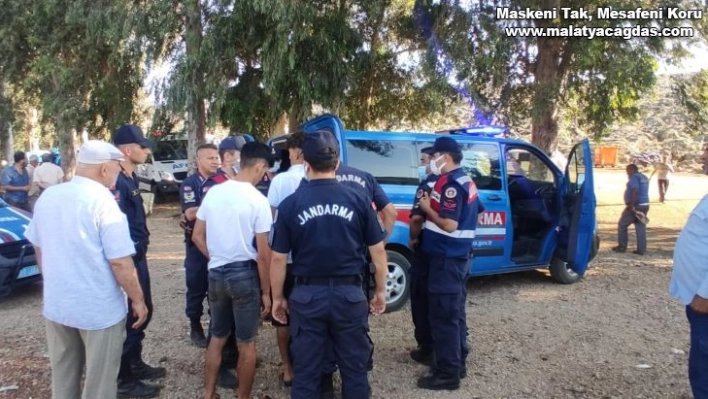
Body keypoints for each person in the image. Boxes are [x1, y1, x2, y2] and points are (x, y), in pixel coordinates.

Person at [270, 130, 388, 399]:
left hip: (307, 297)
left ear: (305, 164)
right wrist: (380, 291)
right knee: (355, 370)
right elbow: (378, 251)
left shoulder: (290, 205)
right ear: (336, 164)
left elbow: (278, 257)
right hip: (350, 295)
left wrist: (277, 298)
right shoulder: (359, 200)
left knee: (308, 372)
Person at [26, 140, 148, 399]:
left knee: (64, 376)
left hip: (58, 304)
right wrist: (138, 299)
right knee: (100, 382)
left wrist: (54, 280)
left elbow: (39, 246)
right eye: (117, 166)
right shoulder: (103, 201)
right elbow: (120, 262)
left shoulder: (50, 196)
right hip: (97, 309)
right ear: (104, 169)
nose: (119, 171)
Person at [191, 142, 273, 399]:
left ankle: (209, 393)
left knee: (217, 336)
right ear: (259, 166)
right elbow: (263, 254)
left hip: (216, 273)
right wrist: (267, 292)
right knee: (246, 343)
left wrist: (215, 257)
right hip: (244, 275)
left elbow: (196, 236)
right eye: (264, 170)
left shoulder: (214, 193)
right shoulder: (258, 201)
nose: (264, 175)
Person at [416, 136, 485, 391]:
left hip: (447, 259)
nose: (432, 160)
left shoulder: (452, 185)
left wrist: (427, 208)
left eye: (435, 156)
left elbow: (449, 224)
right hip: (457, 258)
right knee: (454, 313)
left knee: (444, 316)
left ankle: (447, 374)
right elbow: (478, 209)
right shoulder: (465, 179)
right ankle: (457, 362)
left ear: (445, 156)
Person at [111, 124, 165, 398]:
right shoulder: (117, 182)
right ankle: (124, 380)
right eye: (143, 146)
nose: (146, 150)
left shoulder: (130, 177)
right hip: (128, 258)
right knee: (133, 314)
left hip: (139, 257)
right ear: (126, 149)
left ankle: (135, 362)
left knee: (144, 312)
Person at [266, 131, 307, 387]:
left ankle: (288, 367)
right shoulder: (325, 176)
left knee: (282, 314)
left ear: (295, 152)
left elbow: (271, 219)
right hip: (311, 262)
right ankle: (310, 365)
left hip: (285, 258)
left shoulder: (281, 181)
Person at [180, 144, 220, 347]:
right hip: (196, 245)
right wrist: (216, 202)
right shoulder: (189, 183)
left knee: (218, 287)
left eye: (217, 157)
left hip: (218, 240)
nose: (215, 161)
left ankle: (217, 328)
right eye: (210, 158)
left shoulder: (222, 181)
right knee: (196, 285)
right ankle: (195, 325)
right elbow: (189, 213)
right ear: (199, 161)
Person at [670, 194, 708, 399]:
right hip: (697, 299)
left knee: (704, 372)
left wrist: (705, 294)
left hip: (704, 302)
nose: (704, 159)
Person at [408, 146, 438, 365]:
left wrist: (412, 238)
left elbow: (417, 219)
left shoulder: (426, 186)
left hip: (426, 248)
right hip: (444, 252)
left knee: (421, 298)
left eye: (424, 159)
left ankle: (427, 348)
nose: (421, 164)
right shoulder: (451, 182)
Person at [612, 164, 650, 255]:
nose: (626, 173)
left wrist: (632, 205)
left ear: (632, 170)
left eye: (627, 170)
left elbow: (635, 191)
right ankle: (641, 249)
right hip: (645, 204)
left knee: (622, 224)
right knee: (640, 226)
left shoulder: (634, 177)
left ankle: (622, 246)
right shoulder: (644, 177)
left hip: (636, 205)